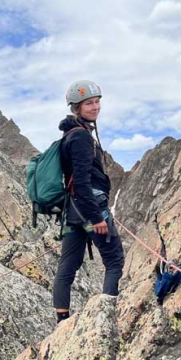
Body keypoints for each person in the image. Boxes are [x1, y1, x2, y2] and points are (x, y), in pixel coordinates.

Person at [53, 80, 125, 323]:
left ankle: (62, 319)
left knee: (68, 266)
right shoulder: (81, 138)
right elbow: (83, 182)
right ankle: (107, 316)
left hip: (72, 211)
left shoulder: (68, 136)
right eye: (89, 104)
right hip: (90, 207)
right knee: (114, 260)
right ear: (76, 108)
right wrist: (96, 218)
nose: (95, 107)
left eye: (97, 102)